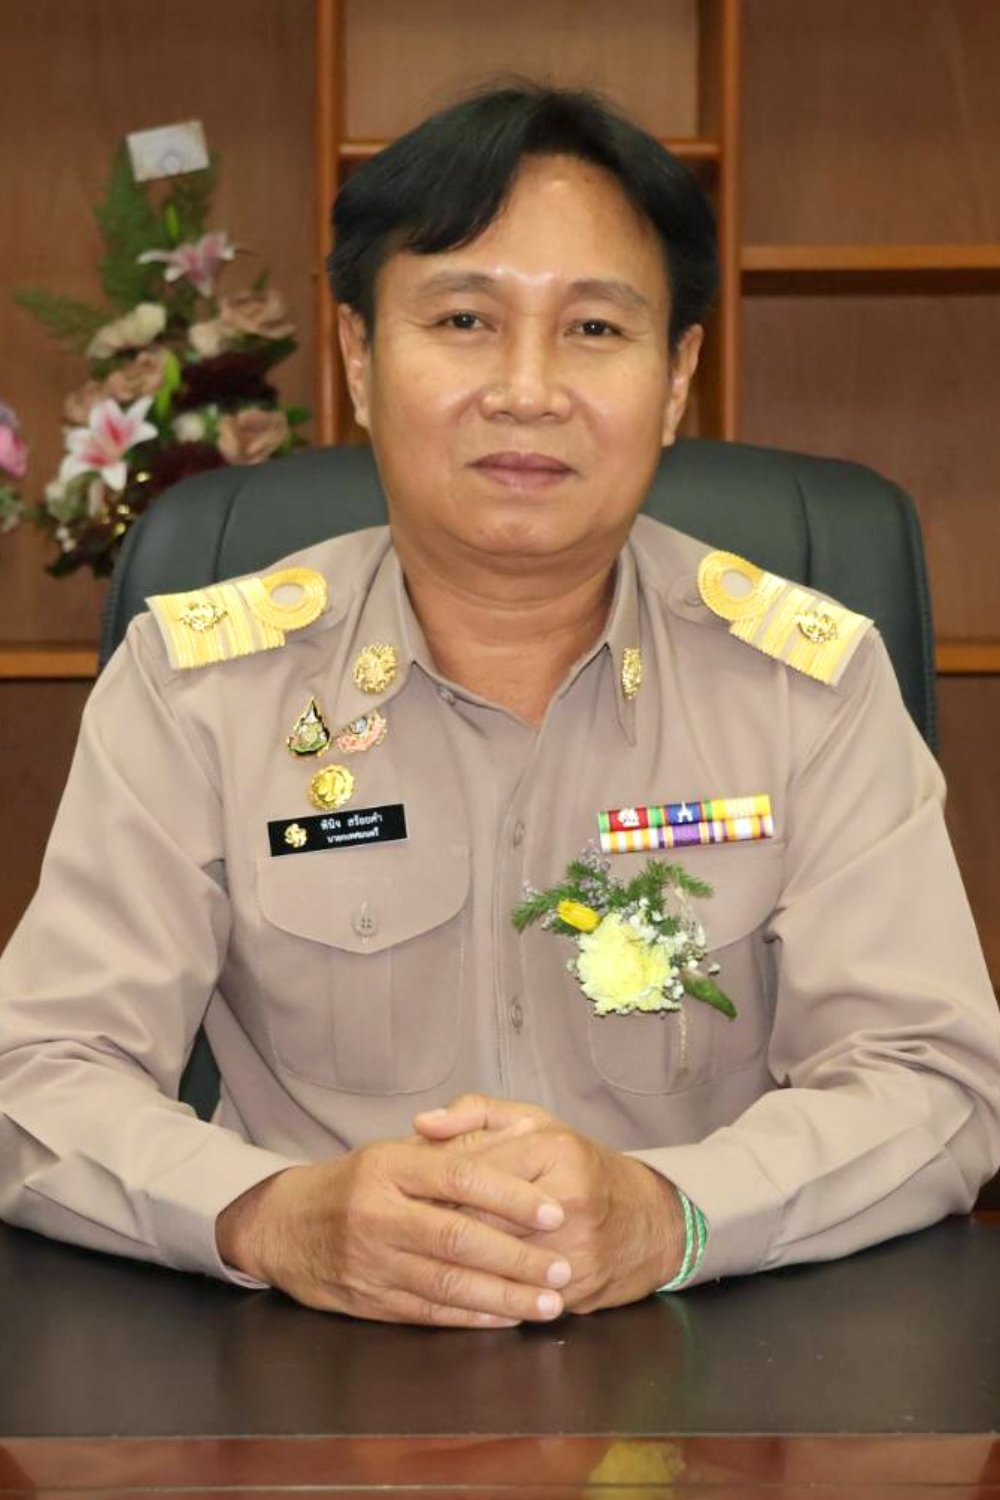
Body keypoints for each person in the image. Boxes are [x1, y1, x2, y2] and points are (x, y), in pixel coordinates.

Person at [1, 85, 998, 1330]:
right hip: (296, 1352)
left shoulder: (808, 685)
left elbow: (932, 1079)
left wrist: (670, 1214)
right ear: (360, 357)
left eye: (594, 328)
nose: (526, 390)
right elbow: (38, 1071)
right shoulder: (202, 684)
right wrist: (273, 1215)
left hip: (719, 1350)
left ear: (677, 377)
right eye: (464, 319)